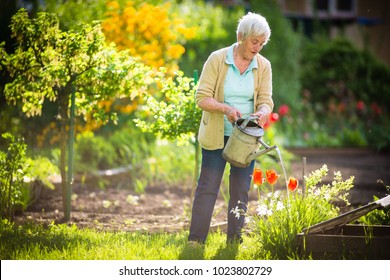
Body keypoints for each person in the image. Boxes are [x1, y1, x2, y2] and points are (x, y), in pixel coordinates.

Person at [188, 12, 274, 245]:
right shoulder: (217, 59)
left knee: (240, 189)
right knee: (208, 187)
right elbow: (201, 98)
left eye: (262, 43)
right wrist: (225, 108)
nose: (257, 48)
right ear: (240, 37)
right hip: (217, 134)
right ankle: (195, 240)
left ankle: (234, 241)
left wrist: (264, 112)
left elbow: (266, 100)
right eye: (254, 42)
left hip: (245, 138)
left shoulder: (263, 66)